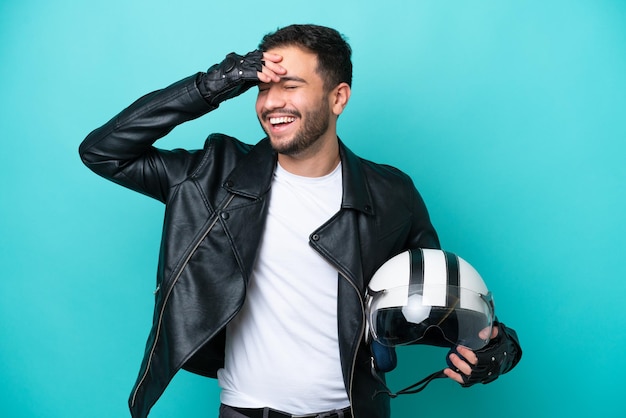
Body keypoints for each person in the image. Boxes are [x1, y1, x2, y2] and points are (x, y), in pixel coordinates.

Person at [79, 24, 521, 418]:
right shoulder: (209, 177)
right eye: (261, 87)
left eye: (289, 86)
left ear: (338, 97)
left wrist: (495, 349)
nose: (272, 102)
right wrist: (219, 81)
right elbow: (103, 151)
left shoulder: (392, 195)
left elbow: (428, 305)